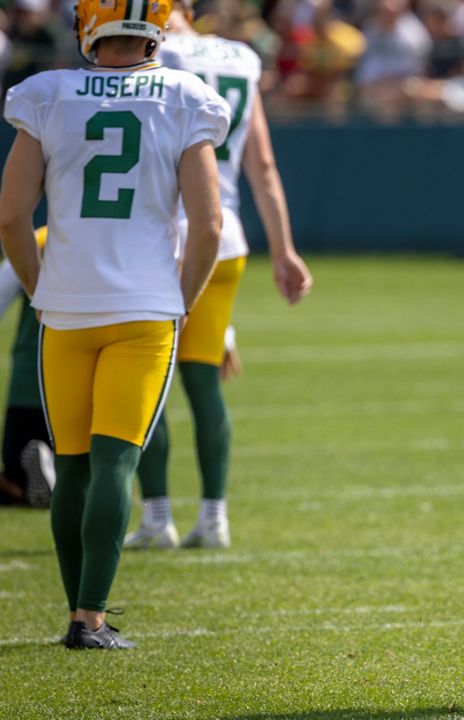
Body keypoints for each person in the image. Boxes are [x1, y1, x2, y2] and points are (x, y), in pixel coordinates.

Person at [0, 0, 230, 648]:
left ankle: (77, 611)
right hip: (143, 310)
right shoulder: (185, 94)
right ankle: (90, 618)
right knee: (114, 465)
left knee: (72, 467)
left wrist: (42, 288)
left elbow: (13, 217)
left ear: (88, 25)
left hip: (66, 308)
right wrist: (182, 300)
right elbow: (208, 224)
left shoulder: (47, 93)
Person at [123, 0, 313, 551]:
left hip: (164, 231)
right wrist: (284, 250)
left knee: (146, 379)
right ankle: (214, 516)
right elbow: (263, 166)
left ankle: (157, 515)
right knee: (204, 384)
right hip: (225, 236)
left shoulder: (156, 56)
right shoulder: (240, 56)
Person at [0, 227, 55, 509]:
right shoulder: (113, 240)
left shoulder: (39, 240)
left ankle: (31, 479)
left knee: (13, 481)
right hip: (91, 379)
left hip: (29, 379)